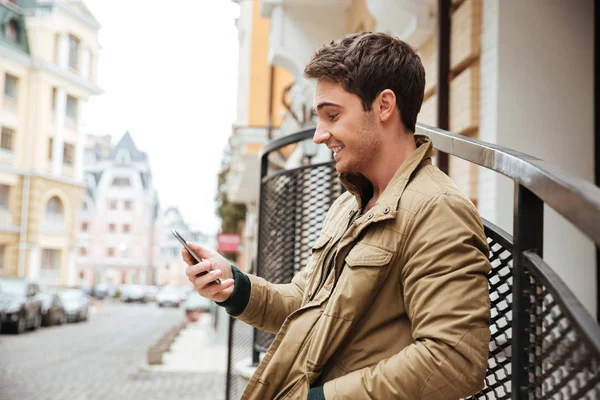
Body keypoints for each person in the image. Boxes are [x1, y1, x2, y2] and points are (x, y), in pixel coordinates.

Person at [182, 32, 491, 400]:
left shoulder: (438, 210)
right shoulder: (349, 205)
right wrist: (235, 287)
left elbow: (454, 361)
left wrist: (324, 398)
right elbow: (304, 303)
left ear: (384, 106)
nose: (318, 135)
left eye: (332, 115)